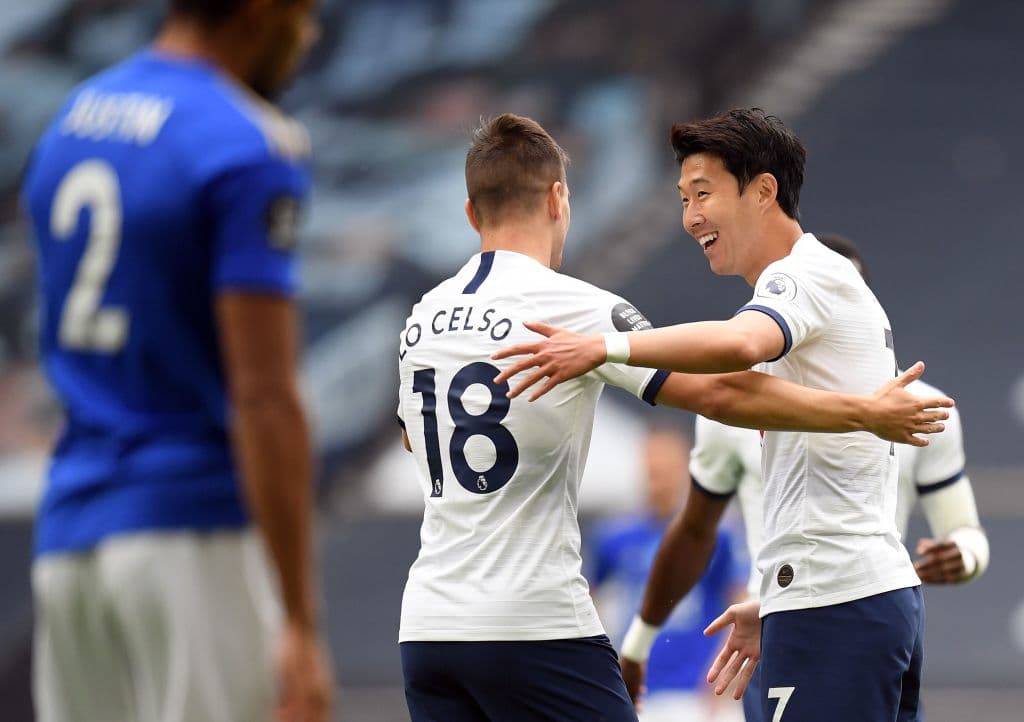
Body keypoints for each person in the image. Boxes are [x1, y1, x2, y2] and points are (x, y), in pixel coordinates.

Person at [396, 112, 950, 722]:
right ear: (559, 199)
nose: (690, 218)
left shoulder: (424, 314)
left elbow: (413, 437)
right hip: (536, 618)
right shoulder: (574, 306)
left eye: (702, 195)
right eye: (685, 199)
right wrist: (863, 414)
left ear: (471, 213)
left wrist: (601, 350)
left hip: (429, 626)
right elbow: (719, 394)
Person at [21, 2, 333, 721]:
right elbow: (263, 397)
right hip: (192, 536)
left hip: (69, 540)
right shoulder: (245, 144)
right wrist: (301, 623)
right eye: (303, 11)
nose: (308, 32)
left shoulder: (72, 119)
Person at [613, 234, 990, 721]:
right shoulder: (732, 410)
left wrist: (964, 555)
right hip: (775, 621)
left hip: (862, 601)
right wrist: (639, 642)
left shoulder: (924, 410)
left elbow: (968, 535)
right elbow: (694, 530)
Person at [588, 425, 746, 722]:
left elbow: (738, 603)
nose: (657, 480)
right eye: (651, 470)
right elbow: (587, 600)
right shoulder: (617, 536)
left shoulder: (717, 535)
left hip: (695, 689)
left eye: (665, 469)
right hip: (636, 688)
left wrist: (719, 679)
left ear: (684, 470)